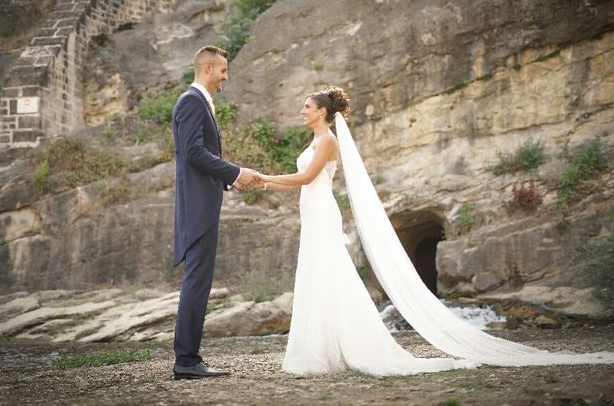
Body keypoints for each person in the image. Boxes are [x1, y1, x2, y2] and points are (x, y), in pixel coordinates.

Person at [258, 86, 614, 375]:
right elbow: (300, 184)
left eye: (306, 106)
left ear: (321, 111)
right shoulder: (314, 142)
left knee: (328, 274)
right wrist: (261, 185)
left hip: (323, 213)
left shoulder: (327, 142)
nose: (302, 111)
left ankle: (337, 349)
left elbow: (306, 178)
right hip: (313, 212)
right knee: (317, 276)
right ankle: (321, 349)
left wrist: (262, 176)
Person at [172, 45, 259, 380]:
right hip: (198, 207)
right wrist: (234, 173)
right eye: (223, 70)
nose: (226, 77)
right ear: (207, 68)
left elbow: (198, 153)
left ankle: (188, 358)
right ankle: (187, 361)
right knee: (197, 281)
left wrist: (227, 180)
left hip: (202, 203)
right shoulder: (192, 101)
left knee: (198, 281)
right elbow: (193, 151)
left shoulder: (196, 102)